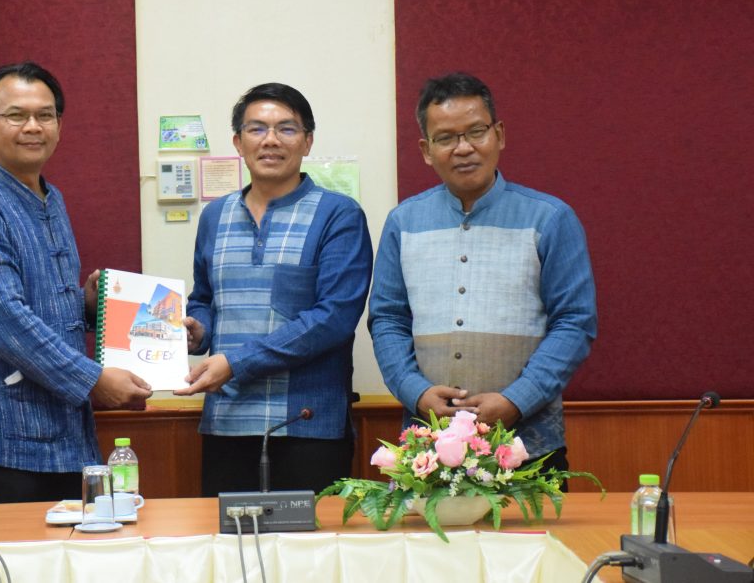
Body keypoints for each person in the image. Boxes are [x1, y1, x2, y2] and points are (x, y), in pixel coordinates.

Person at [0, 61, 152, 504]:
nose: (33, 127)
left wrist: (88, 305)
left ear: (59, 126)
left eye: (45, 115)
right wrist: (94, 380)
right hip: (5, 440)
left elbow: (41, 306)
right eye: (16, 115)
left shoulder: (52, 199)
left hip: (65, 433)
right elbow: (7, 320)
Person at [368, 72, 596, 474]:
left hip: (529, 442)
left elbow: (575, 322)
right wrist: (416, 392)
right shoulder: (403, 222)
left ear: (499, 135)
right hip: (427, 448)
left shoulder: (550, 218)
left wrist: (517, 399)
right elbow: (387, 319)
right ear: (426, 150)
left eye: (476, 132)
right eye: (445, 138)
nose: (464, 148)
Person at [175, 82, 373, 496]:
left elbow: (333, 319)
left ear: (307, 141)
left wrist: (237, 362)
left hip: (307, 425)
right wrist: (198, 330)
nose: (270, 140)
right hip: (226, 421)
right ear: (238, 142)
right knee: (230, 536)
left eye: (286, 128)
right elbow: (204, 298)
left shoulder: (339, 215)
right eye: (257, 129)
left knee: (313, 538)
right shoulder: (214, 216)